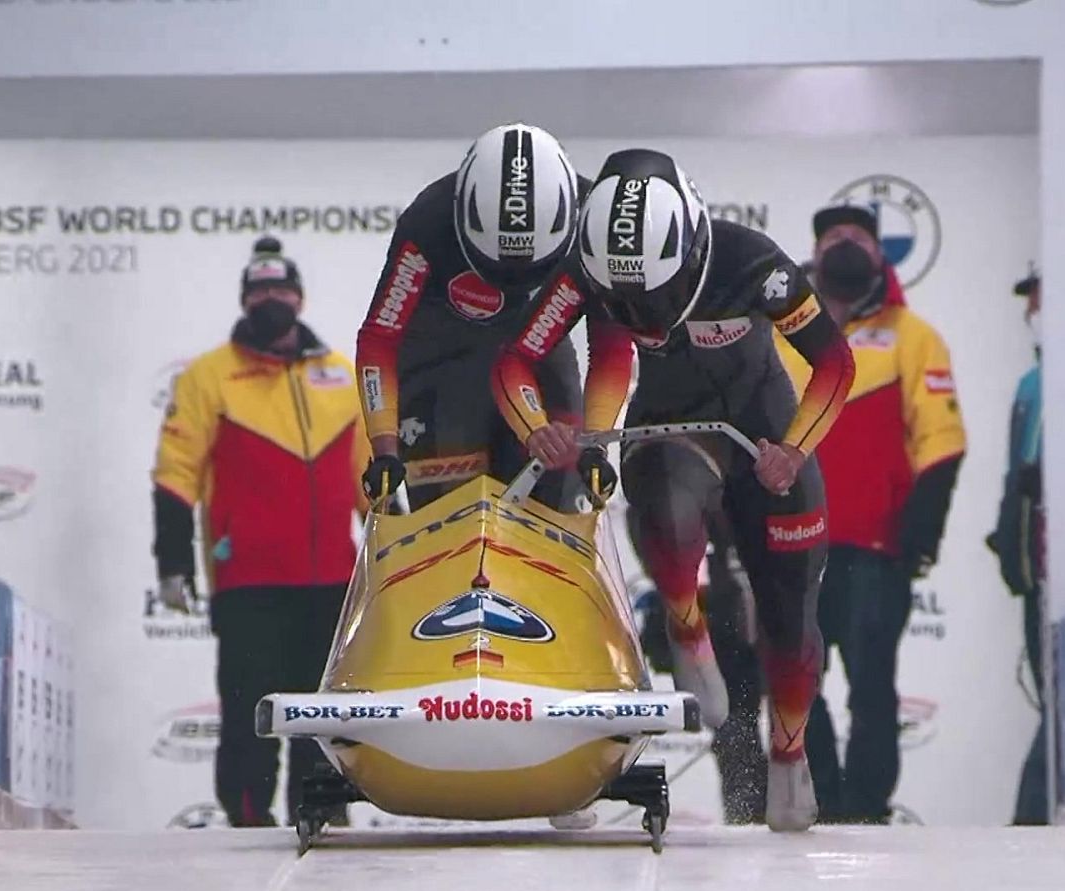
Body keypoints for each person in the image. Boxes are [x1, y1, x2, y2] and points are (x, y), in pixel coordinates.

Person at [492, 148, 857, 832]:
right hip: (672, 429)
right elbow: (516, 357)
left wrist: (796, 448)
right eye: (626, 300)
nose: (644, 314)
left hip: (764, 433)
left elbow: (834, 362)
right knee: (663, 508)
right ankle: (686, 625)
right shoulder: (585, 268)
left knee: (789, 614)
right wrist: (538, 427)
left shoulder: (752, 262)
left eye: (655, 294)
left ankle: (789, 750)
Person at [151, 236, 371, 827]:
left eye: (281, 289)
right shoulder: (209, 377)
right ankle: (246, 822)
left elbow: (368, 483)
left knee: (323, 715)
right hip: (248, 580)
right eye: (261, 291)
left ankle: (321, 816)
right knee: (252, 710)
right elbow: (177, 471)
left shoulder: (342, 376)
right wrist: (172, 561)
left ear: (299, 298)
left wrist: (394, 562)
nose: (271, 299)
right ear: (246, 301)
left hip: (332, 582)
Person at [776, 202, 967, 825]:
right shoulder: (779, 336)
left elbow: (941, 440)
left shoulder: (915, 337)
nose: (846, 244)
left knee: (872, 685)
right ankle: (823, 798)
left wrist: (921, 532)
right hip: (791, 544)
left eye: (859, 235)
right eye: (833, 235)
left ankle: (867, 806)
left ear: (881, 253)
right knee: (795, 682)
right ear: (815, 252)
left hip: (874, 548)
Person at [356, 122, 588, 512]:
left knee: (559, 495)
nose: (511, 285)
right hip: (438, 365)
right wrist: (384, 448)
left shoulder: (595, 216)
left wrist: (594, 436)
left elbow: (611, 336)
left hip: (535, 356)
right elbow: (381, 336)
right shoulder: (428, 223)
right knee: (450, 510)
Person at [629, 506, 769, 824]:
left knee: (742, 720)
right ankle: (747, 812)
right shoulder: (665, 489)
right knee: (734, 721)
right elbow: (644, 525)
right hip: (704, 616)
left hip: (738, 616)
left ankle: (750, 812)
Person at [988, 265, 1047, 825]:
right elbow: (1016, 476)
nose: (1035, 309)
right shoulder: (1032, 384)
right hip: (1037, 571)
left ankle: (1031, 822)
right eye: (1031, 299)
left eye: (1040, 295)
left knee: (1060, 708)